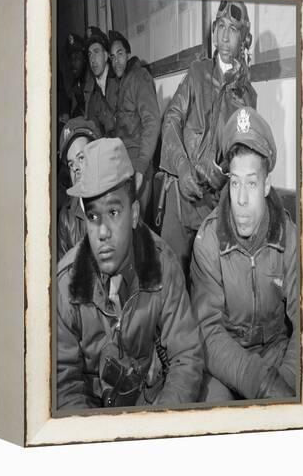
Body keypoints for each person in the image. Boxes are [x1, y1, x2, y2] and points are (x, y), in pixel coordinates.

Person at [57, 138, 203, 410]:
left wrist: (159, 424)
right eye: (92, 217)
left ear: (134, 214)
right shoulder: (66, 285)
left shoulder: (162, 264)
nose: (102, 232)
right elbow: (63, 385)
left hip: (149, 404)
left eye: (113, 212)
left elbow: (186, 357)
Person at [190, 107, 297, 401]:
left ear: (266, 185)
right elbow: (208, 332)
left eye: (251, 183)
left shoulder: (288, 236)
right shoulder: (207, 240)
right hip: (224, 362)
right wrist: (259, 383)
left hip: (278, 356)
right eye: (235, 182)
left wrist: (284, 381)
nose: (240, 199)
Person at [160, 0, 257, 277]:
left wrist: (224, 173)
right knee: (171, 280)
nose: (225, 37)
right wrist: (181, 167)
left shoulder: (248, 97)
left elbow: (245, 155)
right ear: (214, 32)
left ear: (244, 39)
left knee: (206, 284)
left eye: (234, 30)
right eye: (221, 27)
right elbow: (172, 120)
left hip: (213, 205)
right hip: (180, 198)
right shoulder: (197, 73)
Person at [108, 30, 161, 218]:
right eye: (112, 57)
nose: (116, 61)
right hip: (126, 167)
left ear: (129, 54)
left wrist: (140, 168)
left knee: (138, 226)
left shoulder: (139, 77)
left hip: (139, 167)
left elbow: (152, 122)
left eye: (120, 54)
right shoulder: (123, 83)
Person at [57, 117, 101, 260]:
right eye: (71, 164)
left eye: (81, 158)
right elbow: (63, 275)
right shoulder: (66, 218)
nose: (75, 167)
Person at [83, 26, 117, 136]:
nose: (92, 59)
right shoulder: (93, 94)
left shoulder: (120, 79)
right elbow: (94, 131)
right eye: (89, 54)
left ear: (106, 55)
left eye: (96, 51)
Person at [58, 33, 87, 128]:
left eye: (77, 58)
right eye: (71, 58)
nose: (73, 63)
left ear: (84, 60)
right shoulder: (74, 84)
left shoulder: (91, 82)